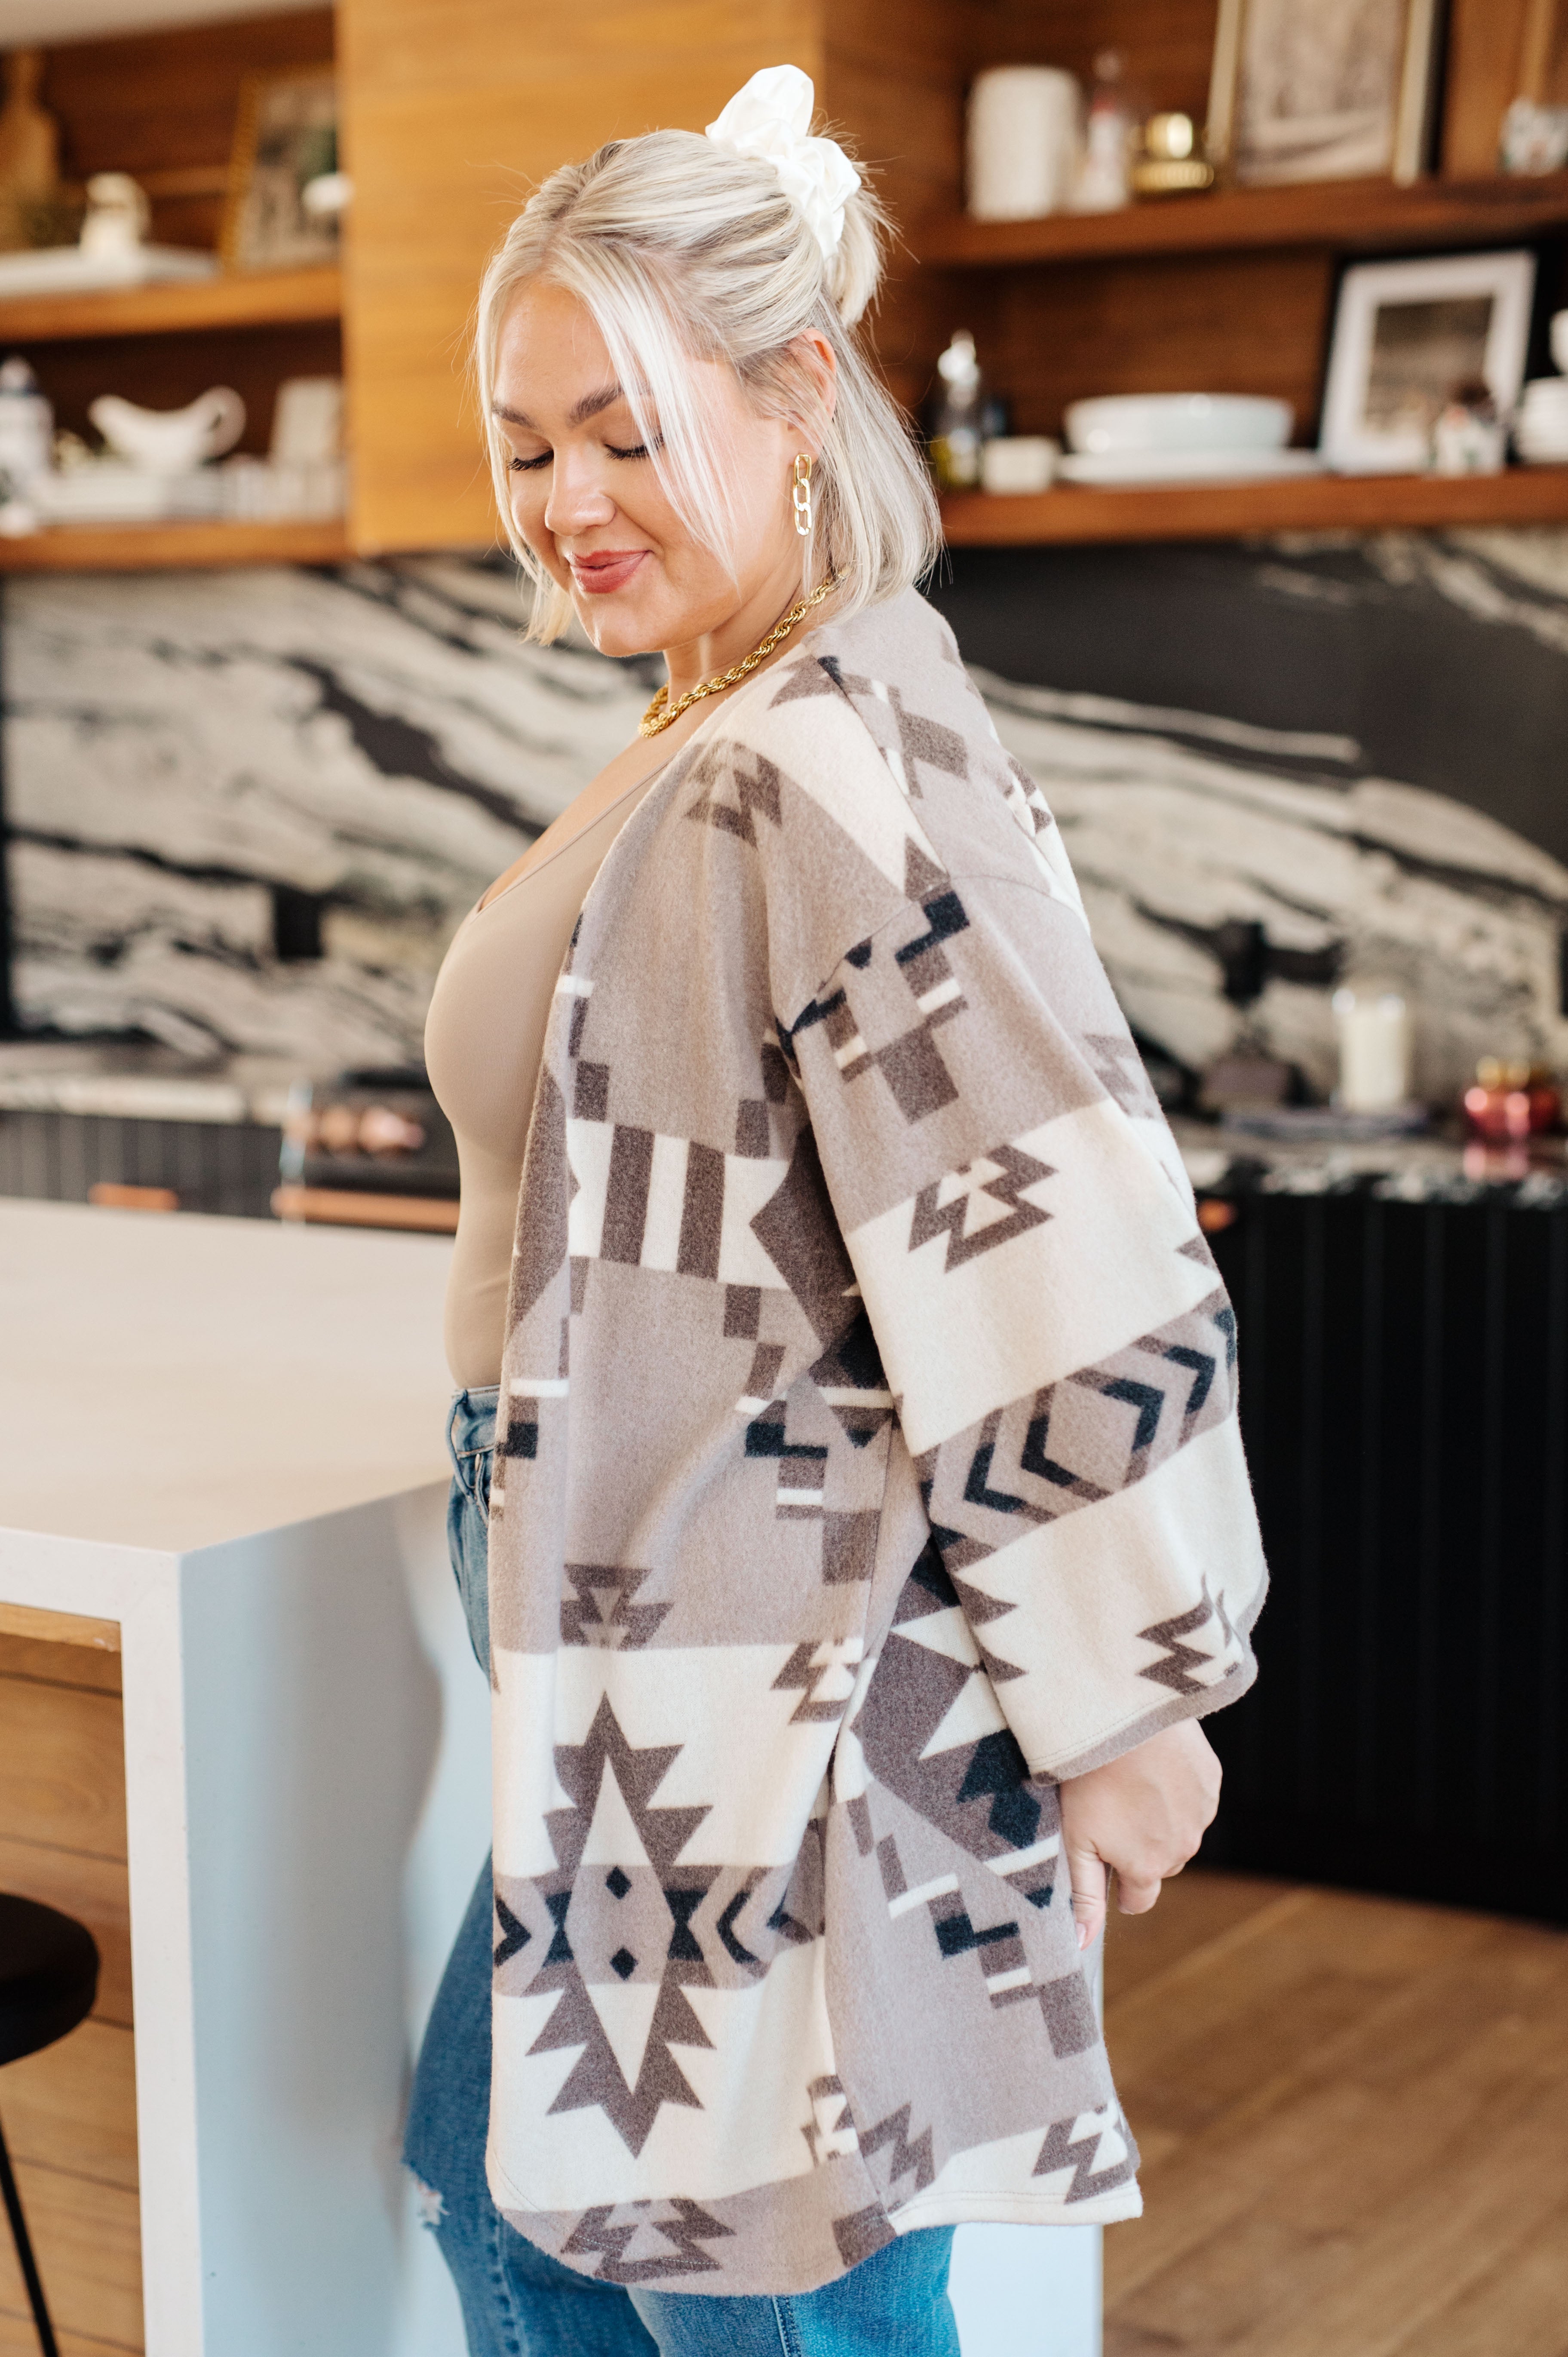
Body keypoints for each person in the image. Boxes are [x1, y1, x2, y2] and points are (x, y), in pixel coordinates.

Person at [410, 64, 1267, 2357]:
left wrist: (1130, 1701)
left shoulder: (823, 756)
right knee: (510, 2191)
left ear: (798, 397)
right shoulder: (728, 713)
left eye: (624, 432)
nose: (567, 502)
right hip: (644, 1595)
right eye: (526, 445)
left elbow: (1044, 1216)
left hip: (765, 1630)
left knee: (772, 2264)